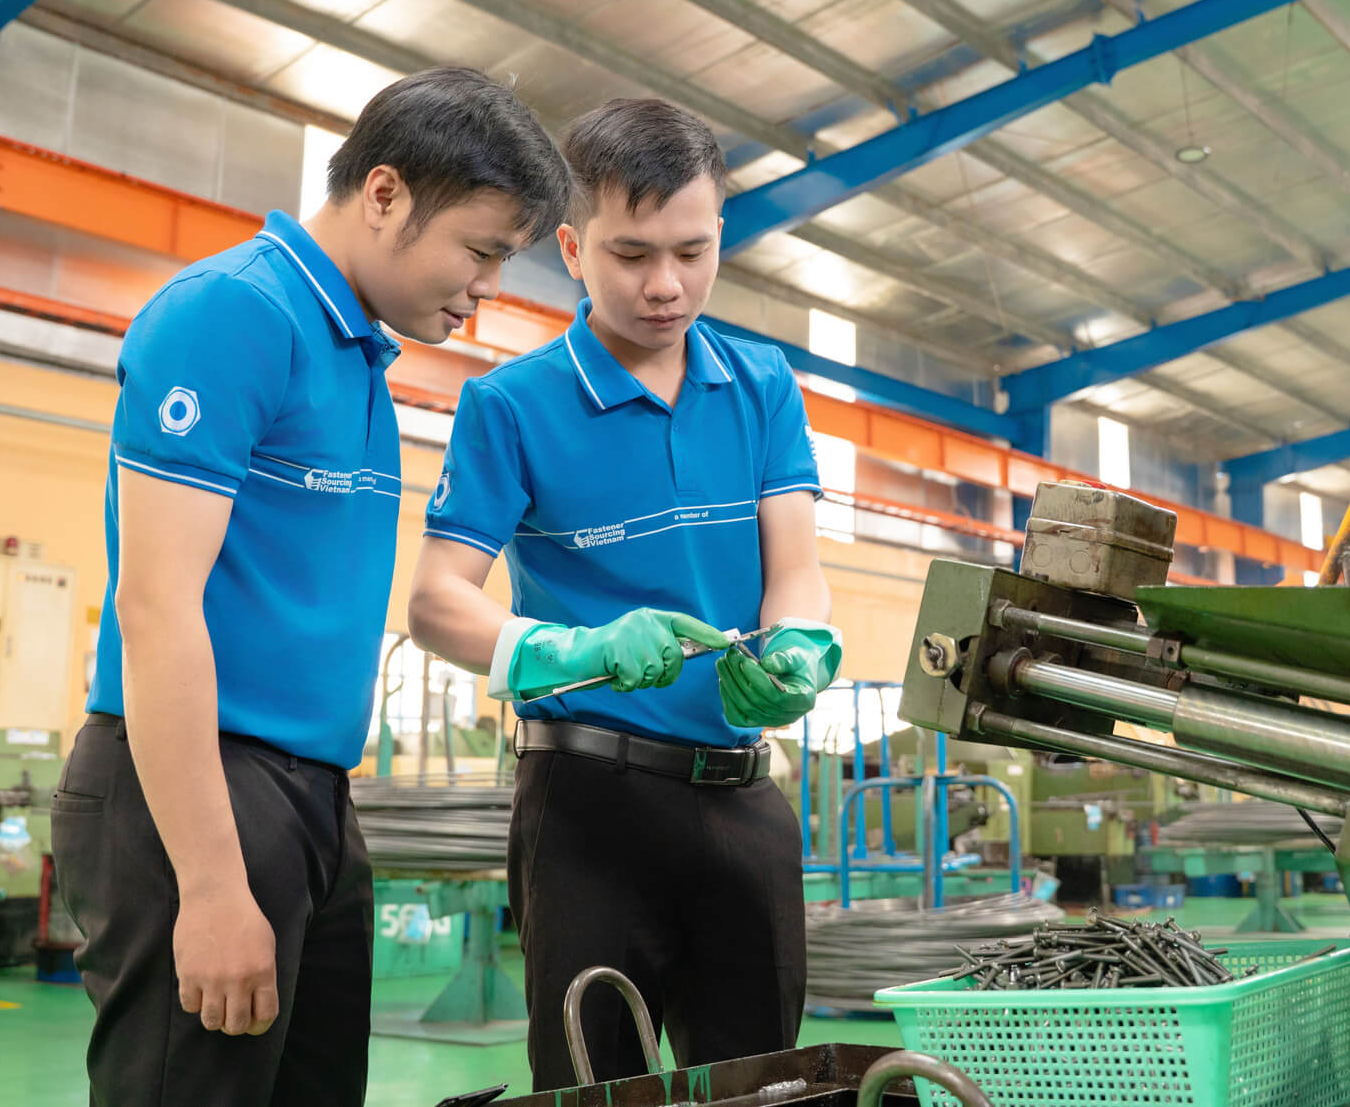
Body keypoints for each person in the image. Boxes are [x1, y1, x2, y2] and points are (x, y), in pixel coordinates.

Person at [52, 67, 570, 1107]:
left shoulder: (358, 357)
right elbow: (155, 606)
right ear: (384, 193)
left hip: (315, 796)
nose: (487, 288)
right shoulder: (234, 314)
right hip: (197, 784)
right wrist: (210, 881)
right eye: (479, 251)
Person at [408, 97, 843, 1090]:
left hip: (743, 800)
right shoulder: (511, 405)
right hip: (588, 812)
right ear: (571, 248)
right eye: (631, 254)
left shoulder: (763, 385)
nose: (665, 285)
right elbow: (435, 601)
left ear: (719, 233)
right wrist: (577, 650)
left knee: (766, 1088)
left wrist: (800, 644)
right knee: (593, 1086)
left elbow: (796, 571)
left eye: (692, 252)